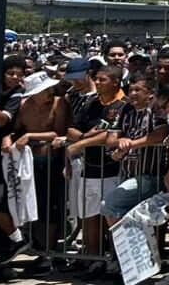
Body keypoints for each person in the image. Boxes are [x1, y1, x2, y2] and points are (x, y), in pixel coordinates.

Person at [2, 72, 69, 276]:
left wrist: (31, 135)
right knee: (34, 206)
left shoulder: (59, 104)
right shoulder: (24, 106)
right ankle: (38, 249)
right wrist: (8, 138)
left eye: (49, 89)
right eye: (44, 90)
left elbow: (58, 132)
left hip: (51, 160)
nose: (49, 93)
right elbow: (15, 129)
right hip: (30, 162)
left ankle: (49, 252)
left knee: (50, 207)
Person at [66, 64, 127, 277]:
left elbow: (110, 134)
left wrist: (82, 142)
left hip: (112, 170)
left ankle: (112, 259)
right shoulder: (91, 103)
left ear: (115, 82)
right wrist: (84, 139)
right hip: (89, 168)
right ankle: (94, 259)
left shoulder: (122, 104)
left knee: (108, 217)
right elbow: (72, 129)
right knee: (89, 216)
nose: (98, 83)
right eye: (97, 79)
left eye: (103, 79)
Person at [103, 76, 169, 226]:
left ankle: (121, 248)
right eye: (130, 90)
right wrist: (120, 143)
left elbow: (161, 133)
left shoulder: (156, 107)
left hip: (149, 175)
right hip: (126, 174)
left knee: (109, 205)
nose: (132, 93)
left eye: (137, 90)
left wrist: (132, 144)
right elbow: (110, 139)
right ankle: (129, 249)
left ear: (150, 93)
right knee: (134, 216)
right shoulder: (126, 109)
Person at [0, 56, 26, 274]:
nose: (15, 78)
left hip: (5, 156)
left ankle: (13, 241)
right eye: (11, 74)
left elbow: (3, 120)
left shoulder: (17, 95)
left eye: (19, 74)